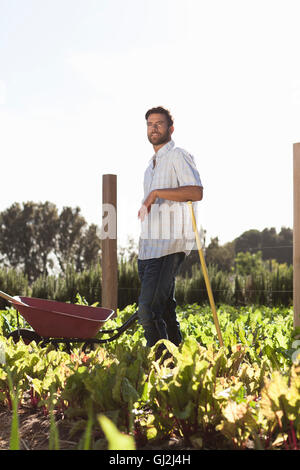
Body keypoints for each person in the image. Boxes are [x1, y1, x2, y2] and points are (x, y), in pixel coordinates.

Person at [137, 106, 203, 355]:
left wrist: (156, 194)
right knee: (164, 308)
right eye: (150, 124)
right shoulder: (150, 166)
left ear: (170, 129)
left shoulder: (178, 155)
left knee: (147, 310)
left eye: (159, 124)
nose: (154, 128)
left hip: (169, 246)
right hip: (148, 248)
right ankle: (180, 358)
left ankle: (161, 362)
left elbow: (195, 191)